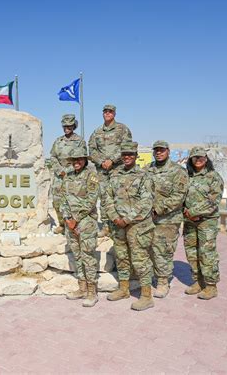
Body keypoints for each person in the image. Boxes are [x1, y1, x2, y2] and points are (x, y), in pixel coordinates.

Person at [104, 141, 155, 311]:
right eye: (124, 154)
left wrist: (126, 219)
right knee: (122, 257)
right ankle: (124, 289)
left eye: (130, 154)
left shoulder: (143, 176)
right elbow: (107, 198)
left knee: (140, 259)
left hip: (137, 225)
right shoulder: (115, 174)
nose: (127, 157)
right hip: (118, 224)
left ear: (136, 156)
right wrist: (115, 217)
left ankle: (147, 296)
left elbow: (146, 202)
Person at [146, 140, 189, 298]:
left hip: (168, 219)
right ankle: (152, 276)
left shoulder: (178, 171)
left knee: (163, 250)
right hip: (149, 218)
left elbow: (179, 195)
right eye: (156, 150)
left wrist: (159, 209)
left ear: (168, 151)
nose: (159, 152)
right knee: (150, 249)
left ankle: (163, 282)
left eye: (162, 150)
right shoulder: (148, 169)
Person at [60, 143, 100, 307]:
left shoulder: (91, 176)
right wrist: (68, 218)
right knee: (77, 256)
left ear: (84, 160)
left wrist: (75, 218)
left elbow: (91, 200)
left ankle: (92, 292)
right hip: (70, 224)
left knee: (88, 257)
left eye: (80, 159)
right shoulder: (68, 176)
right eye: (74, 159)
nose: (77, 162)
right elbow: (63, 198)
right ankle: (82, 288)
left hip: (86, 223)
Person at [183, 146, 223, 300]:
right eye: (195, 157)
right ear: (191, 160)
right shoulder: (188, 177)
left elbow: (213, 201)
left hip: (207, 222)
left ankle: (211, 286)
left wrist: (193, 212)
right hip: (189, 223)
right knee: (192, 253)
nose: (198, 160)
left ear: (206, 159)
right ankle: (198, 282)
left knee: (207, 254)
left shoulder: (214, 177)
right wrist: (186, 212)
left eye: (201, 157)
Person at [88, 104, 132, 237]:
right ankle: (106, 225)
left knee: (119, 195)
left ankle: (119, 223)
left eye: (110, 112)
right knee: (104, 196)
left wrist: (112, 160)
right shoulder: (97, 132)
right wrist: (102, 161)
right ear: (103, 114)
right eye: (105, 111)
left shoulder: (122, 129)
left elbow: (127, 147)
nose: (107, 113)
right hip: (102, 170)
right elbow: (92, 149)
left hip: (118, 169)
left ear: (114, 114)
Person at [50, 114, 85, 234]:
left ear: (73, 126)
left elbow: (81, 159)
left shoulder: (79, 141)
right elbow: (53, 157)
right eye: (64, 126)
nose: (67, 128)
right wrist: (60, 170)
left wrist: (69, 170)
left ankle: (74, 224)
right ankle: (62, 224)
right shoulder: (58, 141)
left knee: (74, 200)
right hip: (59, 176)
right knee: (57, 201)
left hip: (74, 175)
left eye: (69, 126)